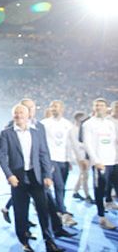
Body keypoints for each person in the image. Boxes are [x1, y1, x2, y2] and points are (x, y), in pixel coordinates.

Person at [0, 103, 63, 252]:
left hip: (36, 178)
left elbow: (44, 154)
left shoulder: (36, 132)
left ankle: (49, 242)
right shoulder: (6, 133)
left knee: (43, 210)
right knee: (21, 212)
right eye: (16, 113)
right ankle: (25, 243)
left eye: (21, 113)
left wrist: (47, 175)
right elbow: (2, 157)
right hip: (17, 179)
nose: (18, 115)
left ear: (28, 116)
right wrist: (9, 175)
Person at [81, 98, 118, 229]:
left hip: (114, 161)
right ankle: (102, 217)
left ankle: (109, 206)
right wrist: (96, 161)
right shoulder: (88, 124)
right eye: (97, 105)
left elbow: (114, 141)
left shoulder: (110, 123)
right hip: (100, 163)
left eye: (102, 105)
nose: (99, 107)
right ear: (93, 107)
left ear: (106, 108)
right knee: (100, 190)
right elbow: (87, 144)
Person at [69, 112, 91, 202]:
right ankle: (87, 195)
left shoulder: (83, 128)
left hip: (85, 154)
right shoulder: (73, 129)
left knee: (83, 174)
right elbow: (76, 145)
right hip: (80, 155)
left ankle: (76, 191)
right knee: (85, 174)